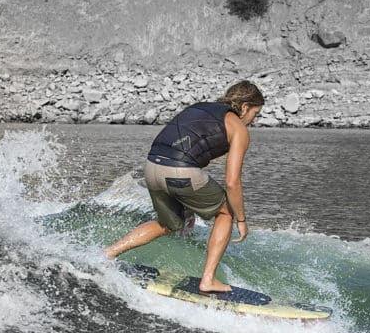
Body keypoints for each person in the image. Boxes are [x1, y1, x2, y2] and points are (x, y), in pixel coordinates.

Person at [105, 80, 265, 293]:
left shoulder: (199, 108)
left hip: (152, 167)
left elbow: (182, 150)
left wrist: (187, 206)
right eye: (255, 114)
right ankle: (208, 280)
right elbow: (232, 181)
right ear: (244, 107)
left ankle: (107, 254)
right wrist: (242, 219)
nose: (253, 121)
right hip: (179, 172)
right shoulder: (238, 128)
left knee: (169, 224)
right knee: (226, 211)